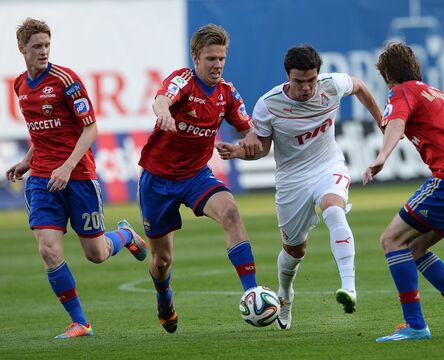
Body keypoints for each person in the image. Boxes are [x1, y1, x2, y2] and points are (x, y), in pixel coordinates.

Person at [216, 44, 383, 330]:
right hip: (292, 179)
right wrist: (239, 151)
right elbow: (261, 148)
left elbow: (359, 87)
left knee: (334, 209)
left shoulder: (332, 85)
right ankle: (285, 294)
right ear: (288, 78)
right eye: (299, 82)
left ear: (318, 75)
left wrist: (382, 121)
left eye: (311, 81)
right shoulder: (269, 105)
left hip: (328, 165)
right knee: (295, 251)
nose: (307, 88)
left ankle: (349, 287)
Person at [6, 18, 148, 339]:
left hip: (78, 176)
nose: (43, 52)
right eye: (36, 47)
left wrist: (68, 166)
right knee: (48, 250)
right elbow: (40, 133)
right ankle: (80, 322)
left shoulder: (66, 80)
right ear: (22, 49)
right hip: (43, 179)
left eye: (46, 46)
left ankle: (124, 236)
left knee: (95, 254)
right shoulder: (20, 85)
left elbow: (90, 128)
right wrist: (27, 162)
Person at [137, 24, 262, 334]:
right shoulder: (183, 81)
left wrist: (245, 143)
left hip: (195, 176)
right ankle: (164, 296)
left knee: (231, 211)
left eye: (221, 58)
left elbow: (249, 132)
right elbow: (161, 99)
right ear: (195, 58)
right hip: (157, 180)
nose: (217, 65)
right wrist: (163, 111)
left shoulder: (227, 93)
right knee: (161, 260)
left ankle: (252, 292)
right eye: (210, 59)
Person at [364, 42, 444, 342]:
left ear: (387, 75)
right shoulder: (436, 94)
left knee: (391, 240)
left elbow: (396, 124)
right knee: (416, 247)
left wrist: (382, 156)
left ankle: (415, 325)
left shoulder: (402, 91)